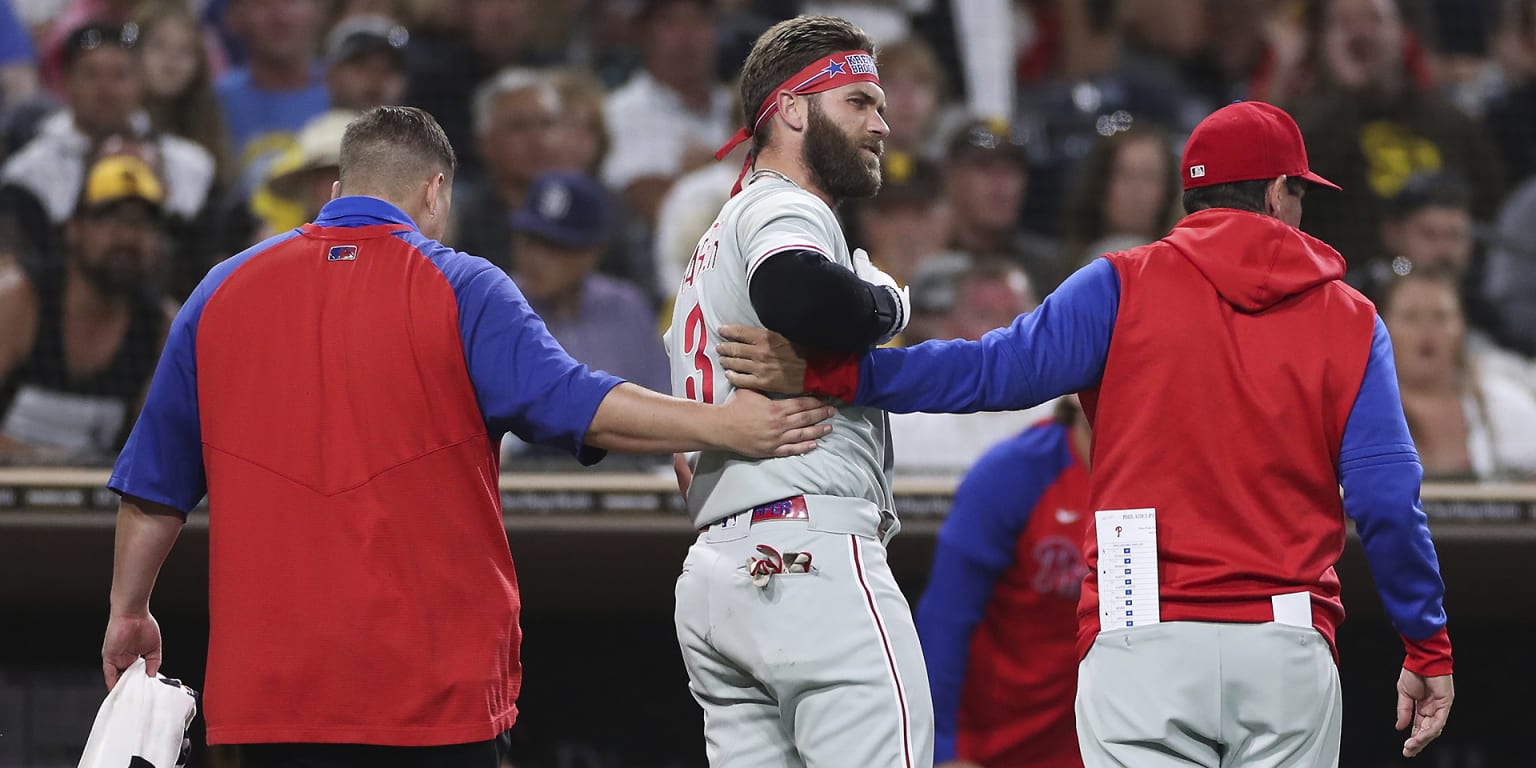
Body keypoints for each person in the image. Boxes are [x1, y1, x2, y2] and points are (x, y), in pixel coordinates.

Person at [717, 100, 1455, 765]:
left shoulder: (1120, 284)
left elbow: (985, 373)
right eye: (1299, 193)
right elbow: (1388, 501)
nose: (1301, 214)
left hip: (1142, 643)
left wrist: (839, 376)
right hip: (1286, 646)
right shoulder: (1350, 318)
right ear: (1274, 193)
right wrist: (1426, 642)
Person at [98, 106, 835, 767]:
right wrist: (725, 424)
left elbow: (151, 489)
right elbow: (584, 404)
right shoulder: (462, 284)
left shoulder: (219, 291)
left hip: (265, 704)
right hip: (430, 701)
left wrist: (129, 611)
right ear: (436, 192)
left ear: (334, 193)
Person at [665, 15, 933, 767]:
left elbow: (686, 459)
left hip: (718, 578)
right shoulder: (783, 203)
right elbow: (802, 296)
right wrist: (889, 303)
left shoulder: (708, 255)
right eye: (858, 102)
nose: (883, 124)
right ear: (790, 109)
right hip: (808, 559)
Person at [917, 398, 1091, 768]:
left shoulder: (1170, 477)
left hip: (1102, 746)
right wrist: (941, 747)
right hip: (991, 744)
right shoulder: (1013, 473)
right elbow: (946, 618)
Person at [0, 153, 174, 462]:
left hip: (98, 505)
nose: (127, 237)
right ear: (73, 228)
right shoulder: (19, 301)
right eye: (110, 219)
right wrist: (41, 462)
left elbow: (159, 450)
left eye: (142, 224)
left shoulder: (160, 328)